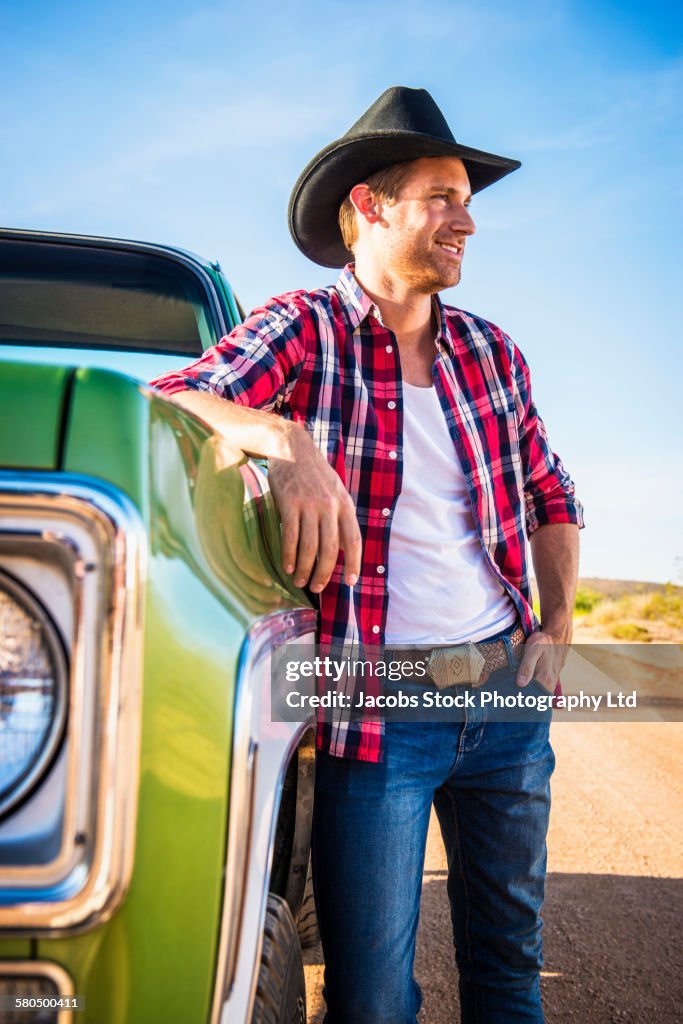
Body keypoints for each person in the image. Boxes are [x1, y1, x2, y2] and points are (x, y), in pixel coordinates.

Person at [151, 86, 583, 1023]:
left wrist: (557, 625)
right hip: (375, 709)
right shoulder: (301, 327)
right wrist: (286, 440)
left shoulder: (491, 351)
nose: (466, 221)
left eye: (467, 200)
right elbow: (177, 397)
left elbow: (550, 490)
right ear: (368, 206)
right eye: (442, 196)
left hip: (505, 696)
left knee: (510, 968)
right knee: (370, 995)